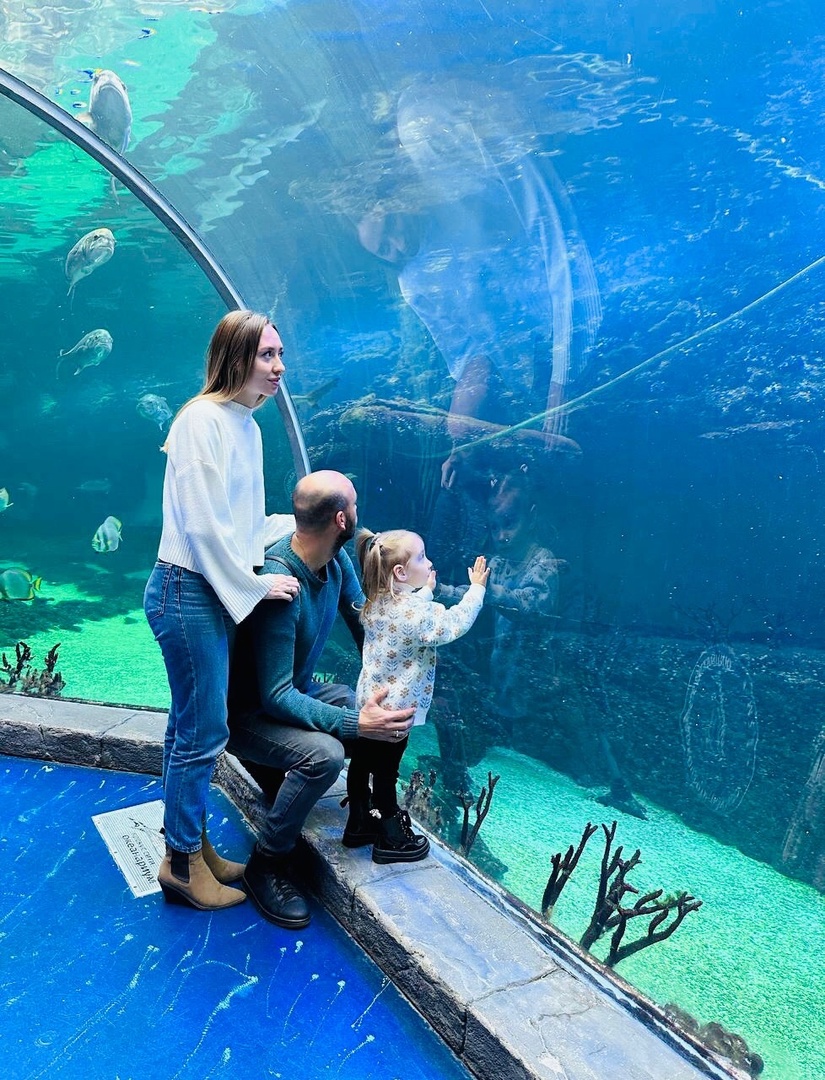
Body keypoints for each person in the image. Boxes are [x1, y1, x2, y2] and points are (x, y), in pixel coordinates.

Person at [143, 310, 300, 911]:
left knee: (189, 726)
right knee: (204, 730)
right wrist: (253, 587)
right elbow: (204, 529)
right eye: (266, 355)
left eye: (280, 354)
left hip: (205, 592)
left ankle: (190, 845)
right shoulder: (199, 420)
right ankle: (183, 865)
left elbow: (243, 523)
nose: (279, 367)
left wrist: (308, 527)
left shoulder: (245, 425)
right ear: (235, 358)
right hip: (185, 591)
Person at [226, 470, 416, 929]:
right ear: (340, 520)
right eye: (354, 505)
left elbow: (368, 628)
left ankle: (364, 815)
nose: (358, 513)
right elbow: (275, 696)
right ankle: (266, 862)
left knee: (361, 704)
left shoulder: (336, 562)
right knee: (325, 755)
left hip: (297, 693)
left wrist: (402, 675)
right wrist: (356, 725)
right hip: (248, 715)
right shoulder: (281, 584)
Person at [354, 528, 489, 861]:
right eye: (421, 557)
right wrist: (476, 590)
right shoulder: (415, 614)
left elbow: (409, 611)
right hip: (395, 715)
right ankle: (390, 838)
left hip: (369, 706)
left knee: (362, 763)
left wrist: (426, 591)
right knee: (387, 772)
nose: (428, 563)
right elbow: (452, 624)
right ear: (401, 572)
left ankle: (358, 823)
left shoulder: (376, 602)